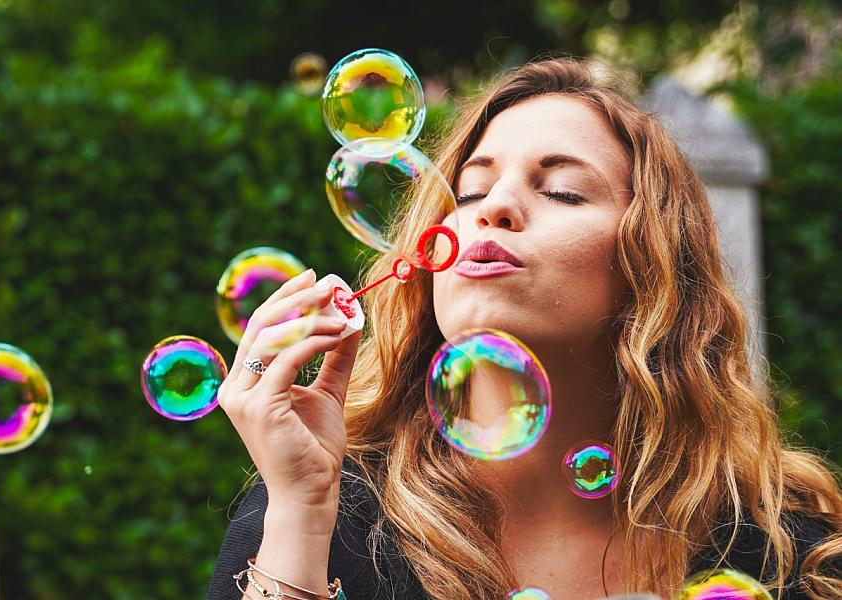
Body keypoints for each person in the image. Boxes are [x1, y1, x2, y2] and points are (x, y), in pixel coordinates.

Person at [208, 58, 842, 599]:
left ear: (649, 264)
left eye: (563, 191)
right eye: (470, 191)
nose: (496, 209)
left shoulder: (780, 550)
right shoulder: (326, 511)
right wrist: (298, 516)